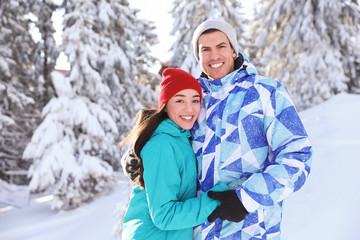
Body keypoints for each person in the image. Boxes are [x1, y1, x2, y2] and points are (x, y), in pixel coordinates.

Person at [123, 19, 313, 239]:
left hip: (251, 229)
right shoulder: (194, 97)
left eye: (221, 46)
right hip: (198, 231)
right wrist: (138, 156)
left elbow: (298, 158)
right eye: (206, 49)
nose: (214, 56)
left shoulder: (266, 92)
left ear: (233, 50)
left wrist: (246, 199)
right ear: (198, 57)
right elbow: (166, 134)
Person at [119, 68, 228, 240]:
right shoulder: (162, 145)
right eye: (179, 100)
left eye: (195, 100)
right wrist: (219, 201)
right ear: (165, 105)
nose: (189, 109)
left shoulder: (181, 137)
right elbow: (165, 215)